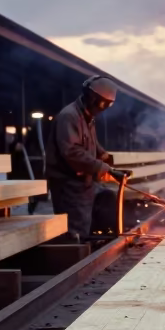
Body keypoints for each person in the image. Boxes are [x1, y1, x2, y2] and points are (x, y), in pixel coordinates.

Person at [45, 75, 130, 241]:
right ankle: (75, 256)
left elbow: (92, 144)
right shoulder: (69, 116)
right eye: (104, 104)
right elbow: (72, 152)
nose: (105, 108)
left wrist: (106, 158)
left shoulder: (87, 116)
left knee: (106, 198)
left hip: (84, 181)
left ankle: (96, 244)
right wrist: (102, 168)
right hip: (68, 185)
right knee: (76, 228)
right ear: (93, 98)